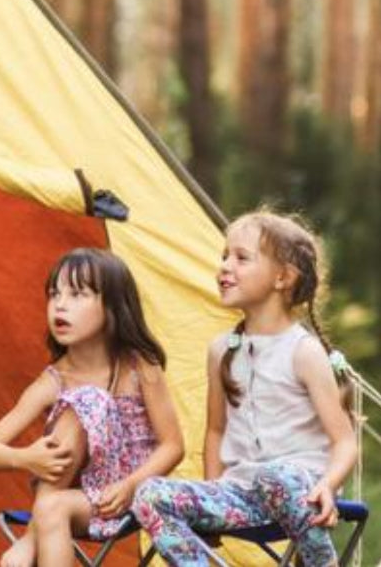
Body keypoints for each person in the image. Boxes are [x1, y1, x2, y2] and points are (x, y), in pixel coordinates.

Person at [132, 210, 358, 566]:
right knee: (148, 494)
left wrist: (328, 485)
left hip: (301, 489)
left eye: (241, 258)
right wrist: (210, 495)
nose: (224, 266)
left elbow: (344, 442)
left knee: (275, 477)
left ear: (283, 277)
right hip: (239, 494)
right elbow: (216, 431)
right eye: (224, 256)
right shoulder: (221, 349)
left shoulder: (303, 351)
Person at [0, 248, 184, 567]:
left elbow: (173, 446)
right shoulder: (55, 379)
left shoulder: (140, 367)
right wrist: (26, 458)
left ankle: (31, 539)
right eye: (54, 294)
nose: (60, 304)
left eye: (77, 294)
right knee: (52, 506)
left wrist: (130, 485)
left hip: (133, 493)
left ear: (113, 307)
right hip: (84, 499)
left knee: (88, 399)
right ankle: (34, 536)